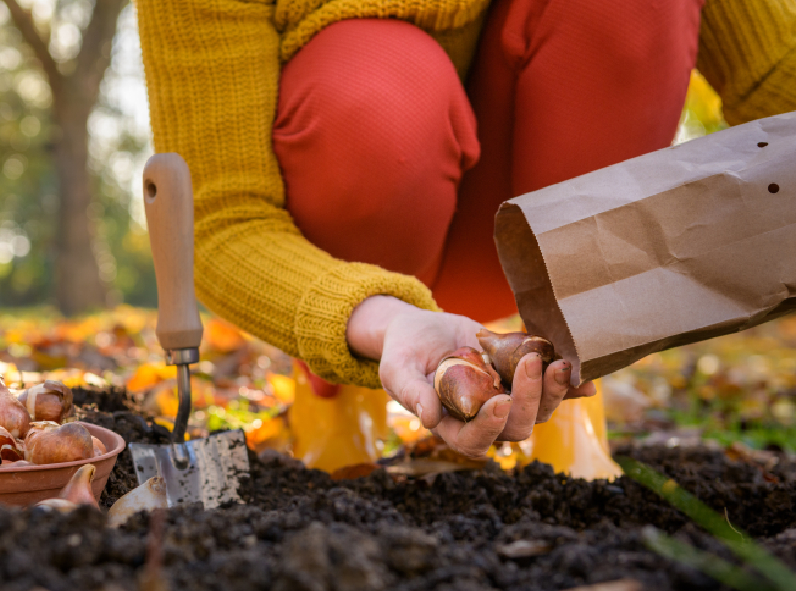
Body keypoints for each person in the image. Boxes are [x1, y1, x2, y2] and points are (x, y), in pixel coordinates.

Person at [135, 0, 796, 459]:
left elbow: (773, 73)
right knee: (382, 89)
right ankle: (336, 404)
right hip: (360, 260)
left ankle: (566, 384)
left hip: (531, 237)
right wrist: (384, 322)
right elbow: (225, 223)